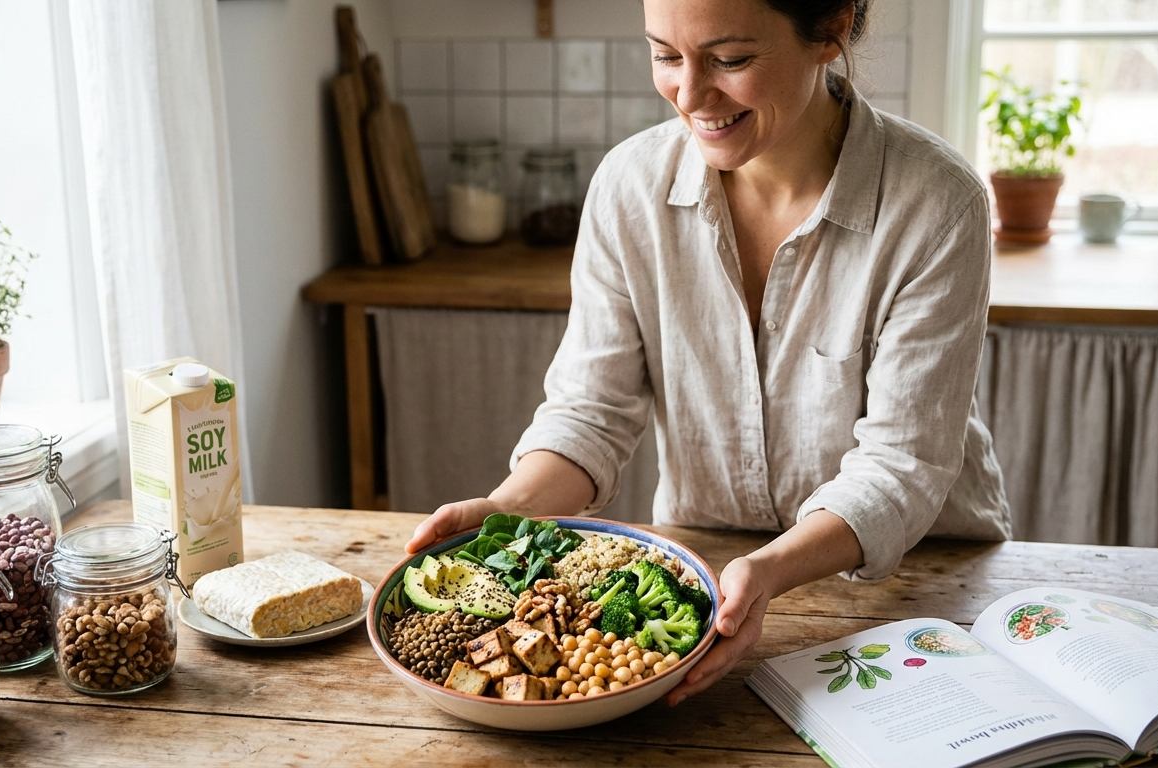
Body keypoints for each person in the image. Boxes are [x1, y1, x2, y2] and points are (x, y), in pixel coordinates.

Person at [404, 0, 1010, 706]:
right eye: (665, 55)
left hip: (915, 585)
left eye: (729, 60)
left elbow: (901, 464)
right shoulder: (628, 186)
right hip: (705, 571)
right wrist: (509, 512)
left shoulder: (936, 204)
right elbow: (591, 412)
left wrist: (770, 571)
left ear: (831, 30)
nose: (689, 96)